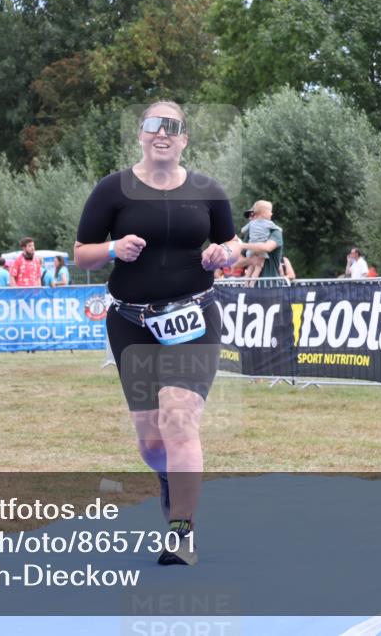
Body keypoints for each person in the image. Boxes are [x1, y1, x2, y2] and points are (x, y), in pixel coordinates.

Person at [74, 100, 237, 566]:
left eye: (173, 127)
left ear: (185, 139)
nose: (162, 133)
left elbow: (231, 241)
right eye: (153, 125)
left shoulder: (208, 190)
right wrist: (111, 248)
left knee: (179, 417)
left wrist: (223, 254)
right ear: (141, 135)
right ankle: (169, 476)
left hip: (194, 319)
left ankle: (182, 531)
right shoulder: (112, 190)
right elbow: (82, 252)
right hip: (131, 322)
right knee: (150, 440)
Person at [236, 200, 280, 280]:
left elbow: (267, 247)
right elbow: (236, 263)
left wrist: (242, 245)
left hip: (269, 286)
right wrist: (251, 261)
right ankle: (248, 284)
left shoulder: (275, 231)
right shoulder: (249, 234)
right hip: (251, 289)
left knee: (258, 266)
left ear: (260, 215)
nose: (251, 218)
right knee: (253, 267)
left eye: (253, 215)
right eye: (249, 216)